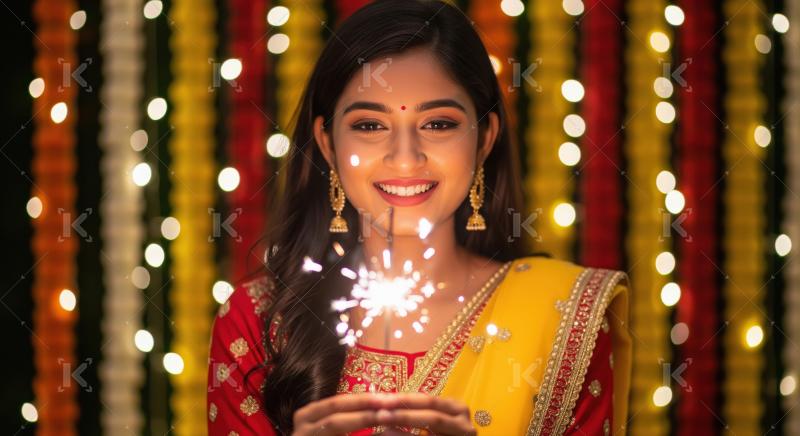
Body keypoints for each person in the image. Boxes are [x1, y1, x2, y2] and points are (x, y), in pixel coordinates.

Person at [207, 0, 631, 434]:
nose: (405, 158)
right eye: (370, 125)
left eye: (439, 124)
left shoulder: (563, 320)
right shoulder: (261, 323)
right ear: (328, 144)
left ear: (484, 138)